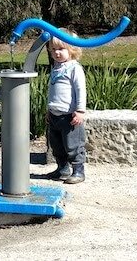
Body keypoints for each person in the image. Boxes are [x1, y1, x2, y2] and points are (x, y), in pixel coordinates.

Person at [45, 30, 87, 184]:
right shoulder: (56, 68)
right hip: (55, 114)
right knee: (57, 145)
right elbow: (52, 91)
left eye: (61, 49)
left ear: (72, 49)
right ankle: (62, 168)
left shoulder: (74, 68)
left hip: (70, 116)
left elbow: (80, 90)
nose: (57, 53)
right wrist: (48, 109)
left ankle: (78, 170)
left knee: (73, 145)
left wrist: (80, 110)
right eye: (54, 49)